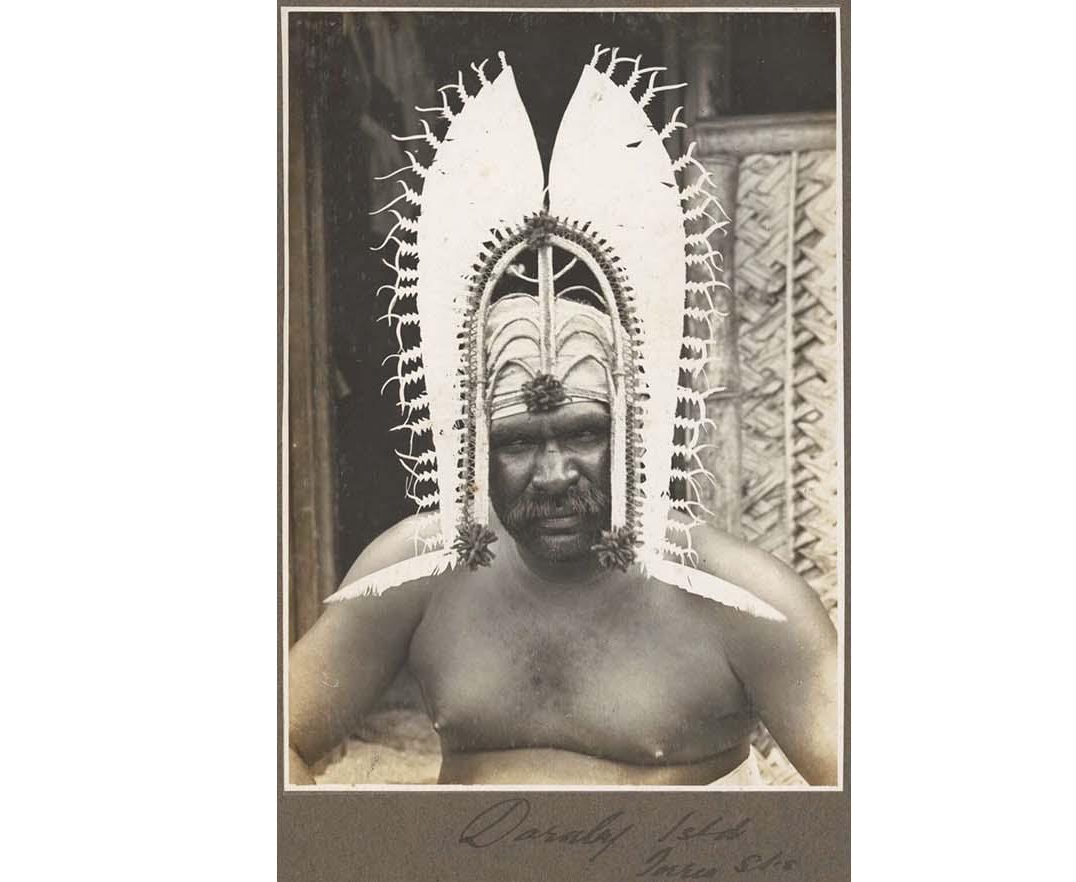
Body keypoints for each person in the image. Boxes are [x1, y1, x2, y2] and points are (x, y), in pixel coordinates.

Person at [287, 48, 839, 786]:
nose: (552, 474)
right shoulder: (416, 572)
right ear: (472, 443)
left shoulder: (751, 603)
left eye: (583, 432)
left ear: (637, 428)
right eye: (517, 441)